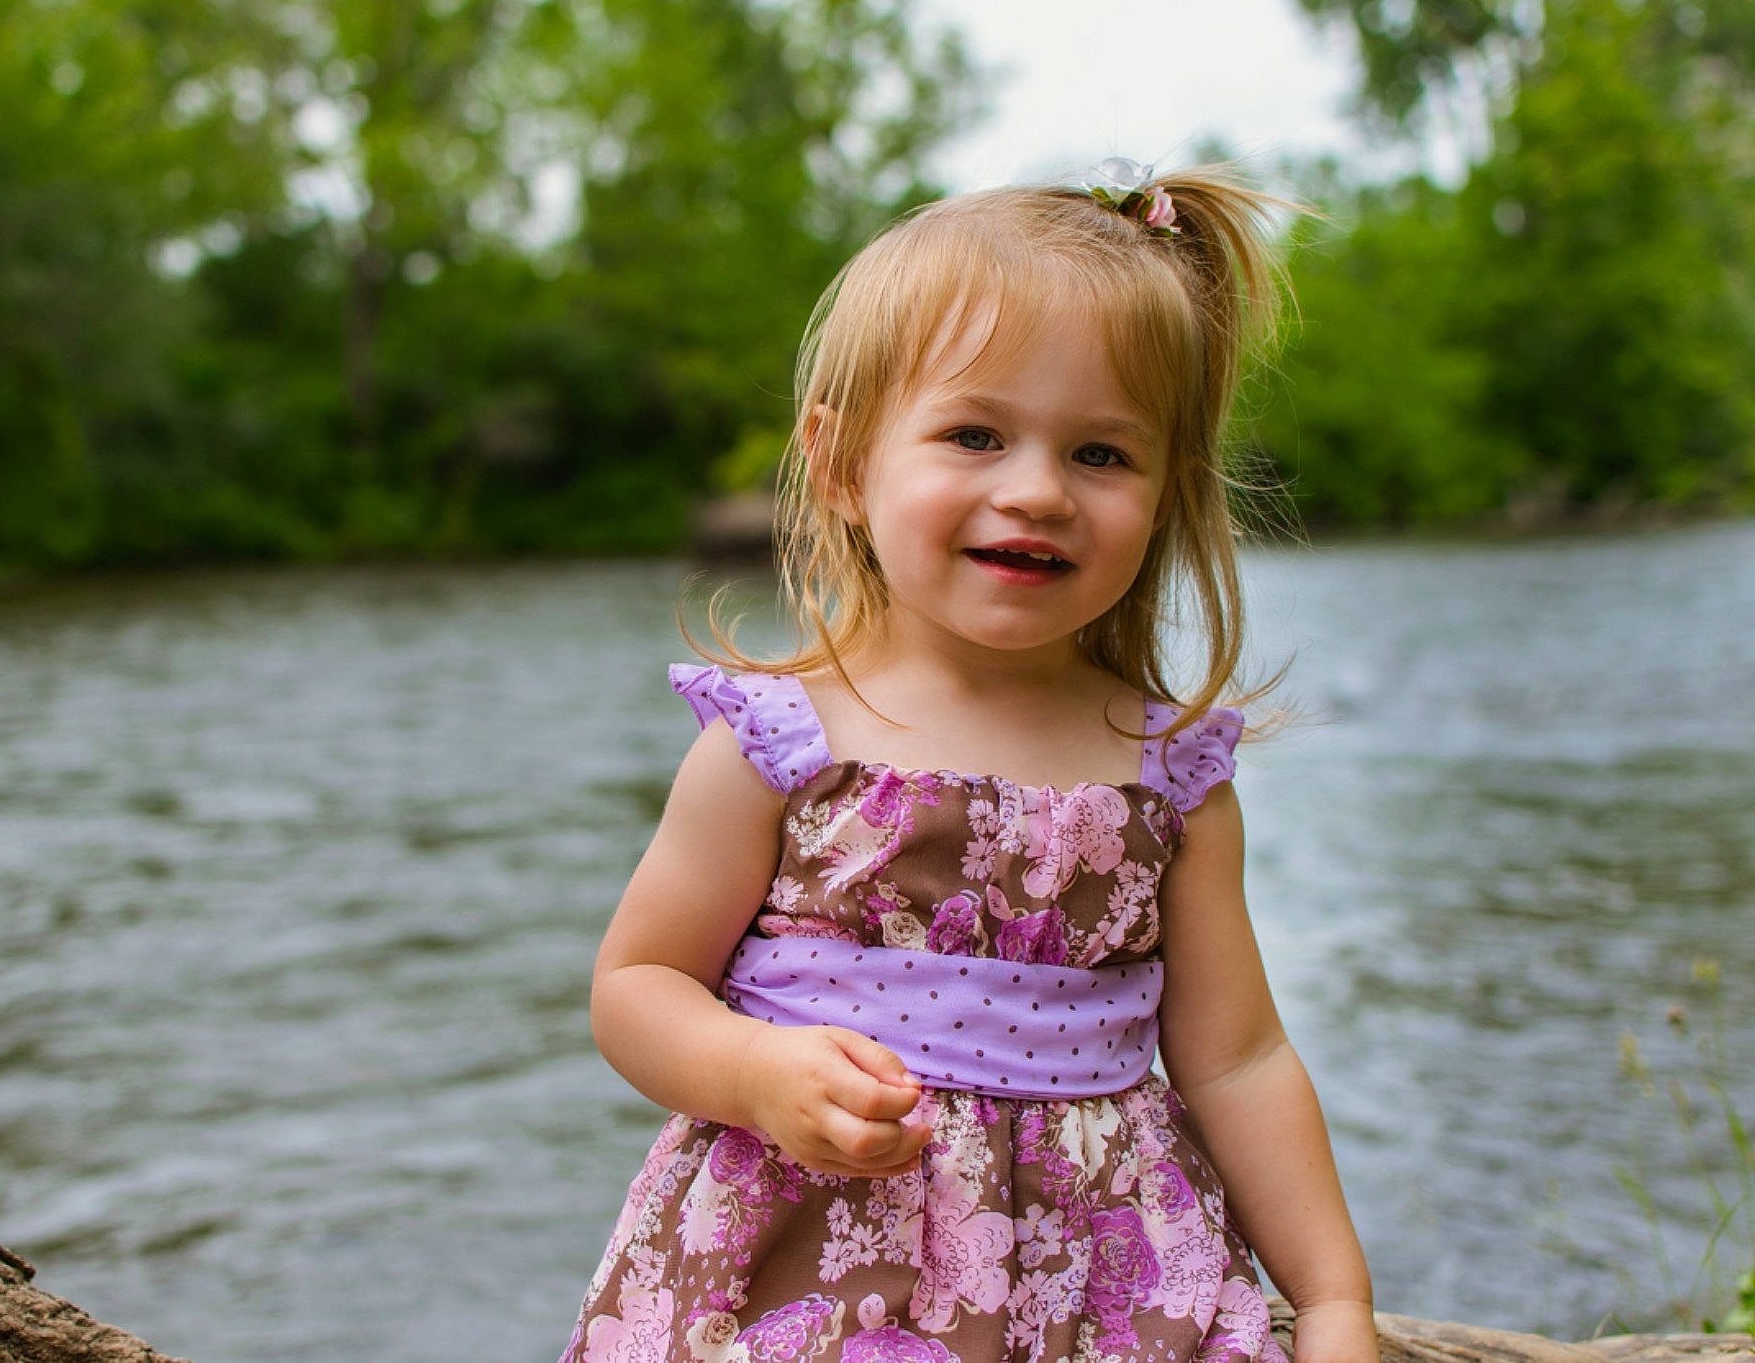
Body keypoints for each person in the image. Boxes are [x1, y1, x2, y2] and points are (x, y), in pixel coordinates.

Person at [559, 161, 1377, 1363]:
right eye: (974, 435)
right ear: (842, 463)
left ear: (1166, 495)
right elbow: (635, 985)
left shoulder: (1168, 776)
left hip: (1100, 1296)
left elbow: (1238, 1061)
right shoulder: (780, 743)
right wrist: (751, 1070)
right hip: (806, 1278)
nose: (1036, 491)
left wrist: (1336, 1302)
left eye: (1101, 454)